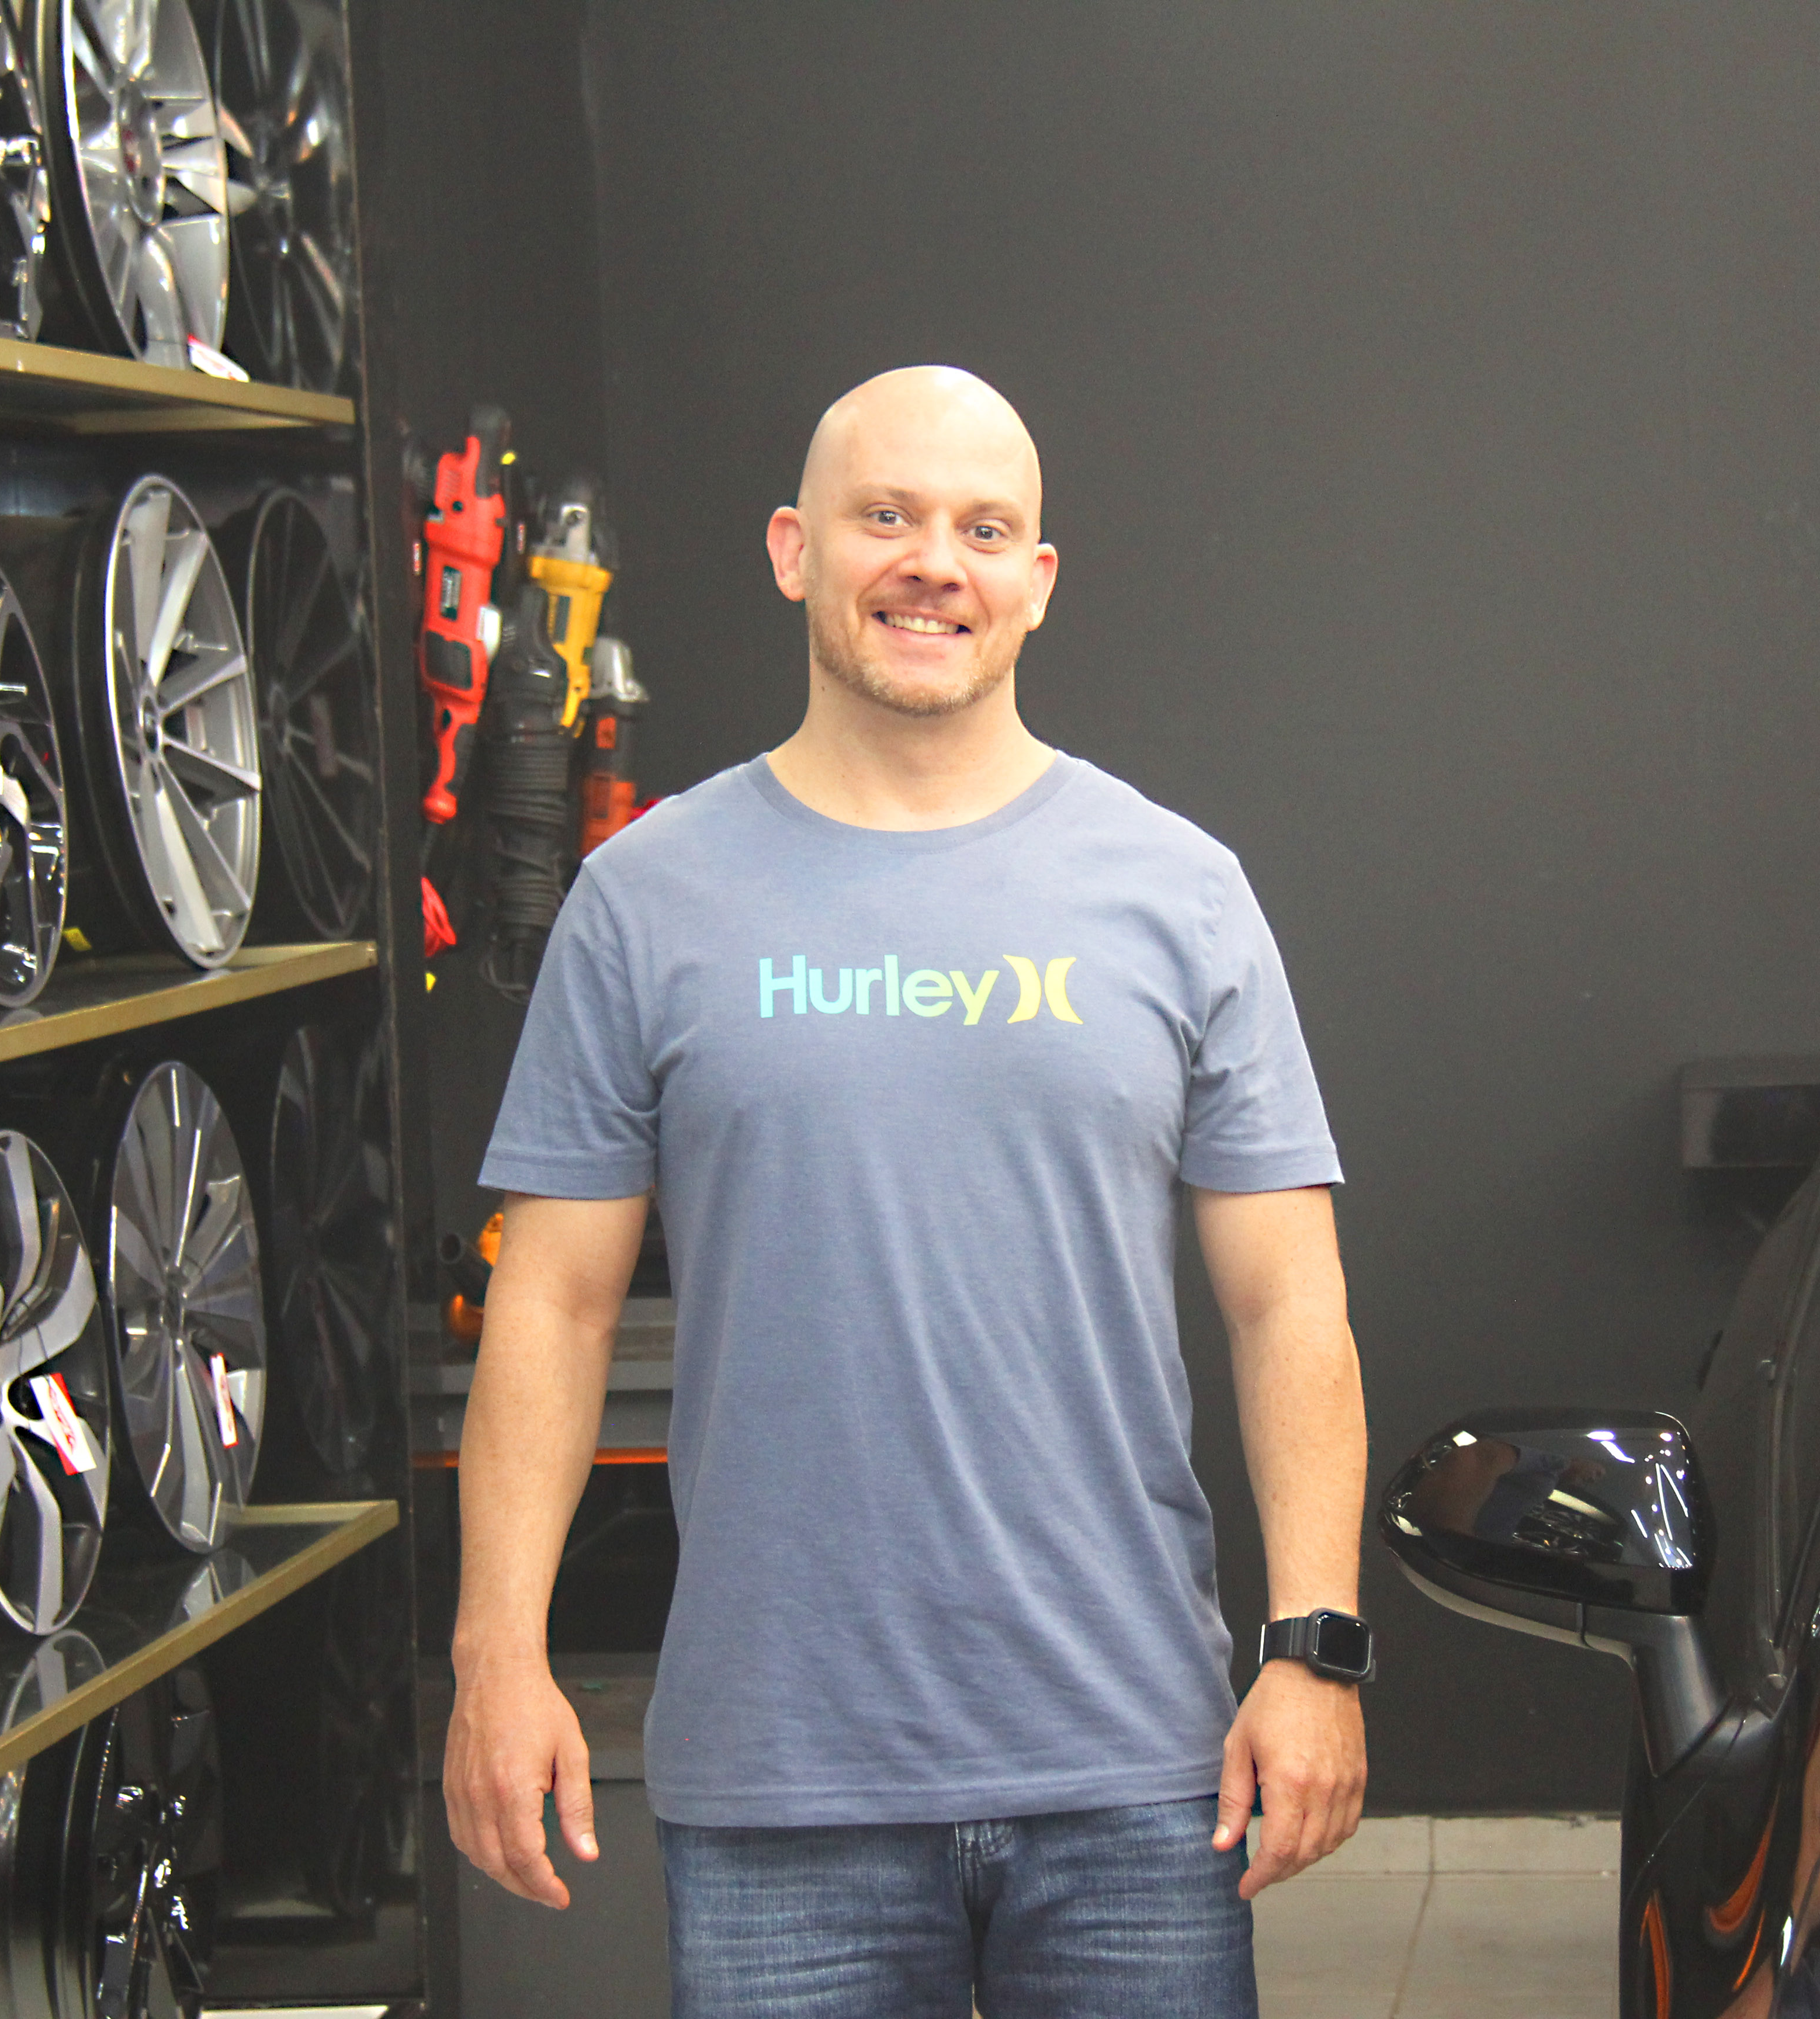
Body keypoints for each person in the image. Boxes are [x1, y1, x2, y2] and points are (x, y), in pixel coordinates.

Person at [444, 364, 1371, 2018]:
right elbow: (556, 1303)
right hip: (782, 1786)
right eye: (887, 516)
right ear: (794, 550)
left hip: (1131, 1769)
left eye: (983, 529)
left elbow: (1287, 1300)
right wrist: (495, 1655)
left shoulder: (1180, 893)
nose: (935, 562)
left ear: (1039, 580)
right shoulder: (643, 900)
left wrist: (1315, 1649)